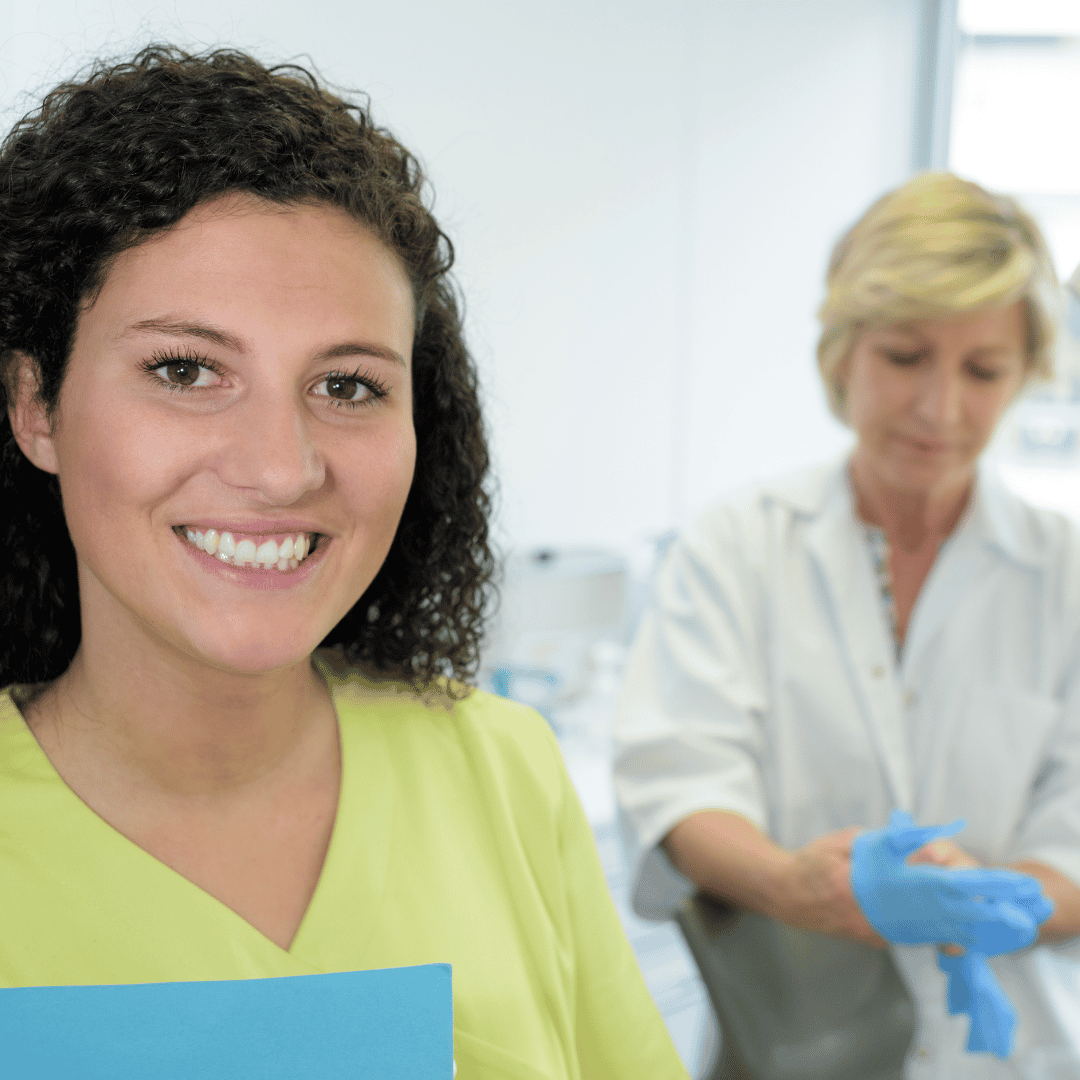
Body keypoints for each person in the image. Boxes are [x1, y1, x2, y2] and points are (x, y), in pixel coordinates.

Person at [0, 45, 688, 1079]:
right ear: (36, 408)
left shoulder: (502, 770)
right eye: (186, 370)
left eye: (350, 386)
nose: (282, 469)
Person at [614, 172, 1080, 1078]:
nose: (941, 408)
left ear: (1025, 376)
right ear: (843, 353)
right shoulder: (739, 546)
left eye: (983, 370)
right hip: (794, 1046)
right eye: (906, 356)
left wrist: (1000, 899)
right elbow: (680, 784)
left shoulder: (1064, 574)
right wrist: (796, 885)